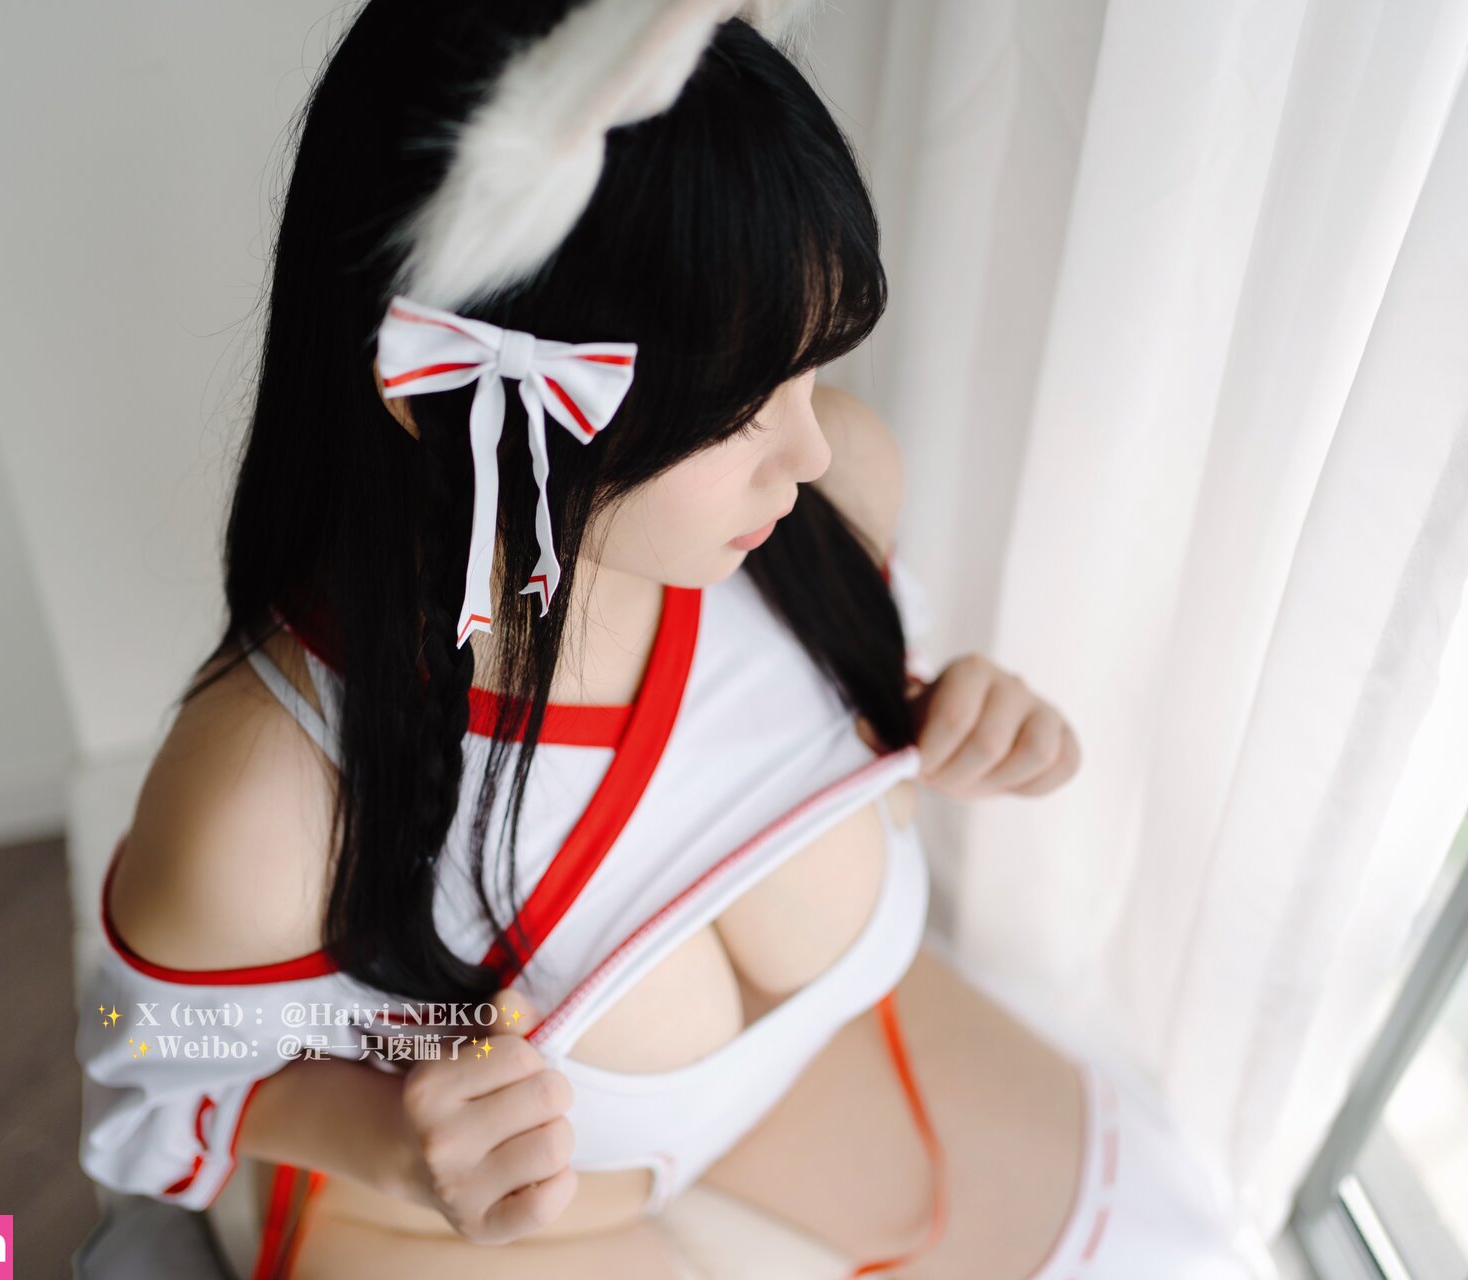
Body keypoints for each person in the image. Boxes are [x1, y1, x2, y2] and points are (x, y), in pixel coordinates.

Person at [74, 2, 1257, 1276]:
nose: (810, 447)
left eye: (811, 372)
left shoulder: (822, 505)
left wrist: (933, 707)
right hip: (469, 1226)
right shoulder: (271, 790)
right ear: (447, 392)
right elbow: (140, 1047)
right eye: (741, 408)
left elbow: (778, 742)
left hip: (817, 1087)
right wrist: (388, 1137)